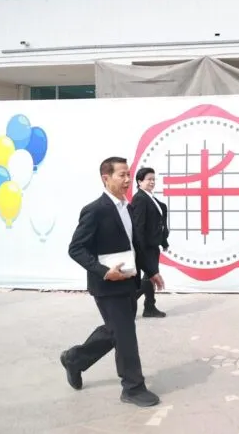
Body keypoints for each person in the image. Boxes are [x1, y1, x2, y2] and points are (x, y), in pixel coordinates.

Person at [59, 156, 165, 407]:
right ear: (106, 178)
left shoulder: (128, 208)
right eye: (122, 175)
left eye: (129, 174)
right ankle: (133, 387)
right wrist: (105, 271)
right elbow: (76, 249)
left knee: (115, 331)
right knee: (125, 335)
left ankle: (75, 359)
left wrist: (151, 271)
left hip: (129, 280)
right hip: (107, 285)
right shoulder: (95, 210)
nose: (128, 179)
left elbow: (136, 244)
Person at [130, 167, 169, 318]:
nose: (152, 182)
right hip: (145, 246)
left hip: (152, 245)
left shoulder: (149, 197)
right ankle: (130, 303)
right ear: (139, 182)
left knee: (149, 276)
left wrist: (163, 241)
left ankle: (149, 306)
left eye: (153, 179)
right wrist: (141, 248)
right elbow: (138, 226)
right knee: (150, 276)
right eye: (149, 179)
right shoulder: (140, 198)